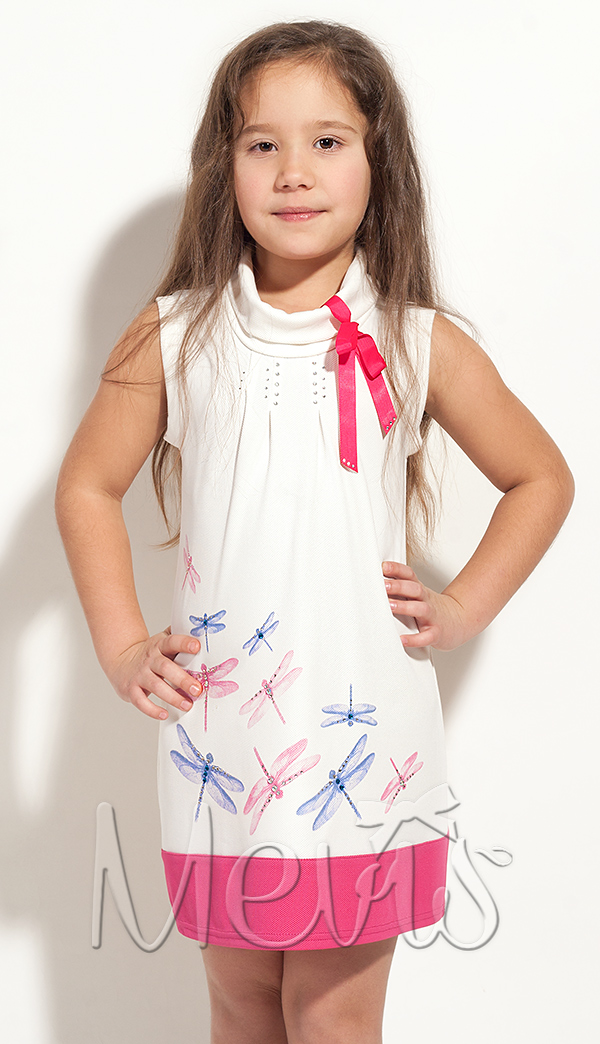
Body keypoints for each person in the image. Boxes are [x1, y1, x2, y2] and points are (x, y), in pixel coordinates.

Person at [55, 19, 574, 1044]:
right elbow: (86, 486)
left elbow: (541, 477)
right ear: (226, 166)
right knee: (242, 1004)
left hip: (361, 738)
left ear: (380, 164)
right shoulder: (176, 333)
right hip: (220, 740)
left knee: (332, 1016)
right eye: (264, 144)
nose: (294, 171)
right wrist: (120, 647)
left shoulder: (417, 338)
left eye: (328, 141)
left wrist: (463, 605)